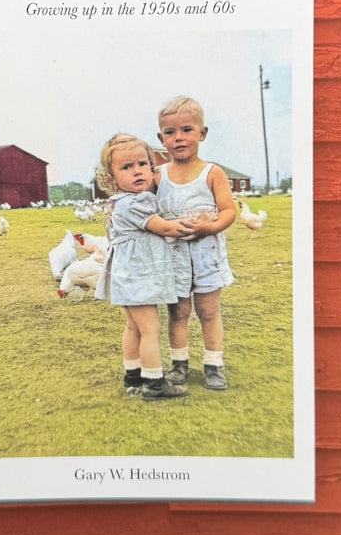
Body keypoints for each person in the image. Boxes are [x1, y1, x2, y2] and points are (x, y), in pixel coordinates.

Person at [95, 133, 195, 401]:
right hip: (138, 277)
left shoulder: (120, 203)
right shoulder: (134, 203)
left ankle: (133, 376)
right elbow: (164, 228)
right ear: (112, 177)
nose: (137, 171)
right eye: (126, 168)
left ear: (152, 166)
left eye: (142, 164)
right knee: (150, 329)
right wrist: (198, 223)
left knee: (133, 327)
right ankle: (154, 383)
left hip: (127, 277)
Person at [155, 96, 237, 390]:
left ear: (202, 133)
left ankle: (214, 365)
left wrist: (210, 227)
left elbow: (229, 210)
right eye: (170, 132)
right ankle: (178, 365)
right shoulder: (158, 175)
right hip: (172, 256)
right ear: (161, 138)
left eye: (187, 130)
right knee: (177, 312)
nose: (178, 138)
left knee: (209, 311)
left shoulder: (212, 173)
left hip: (205, 255)